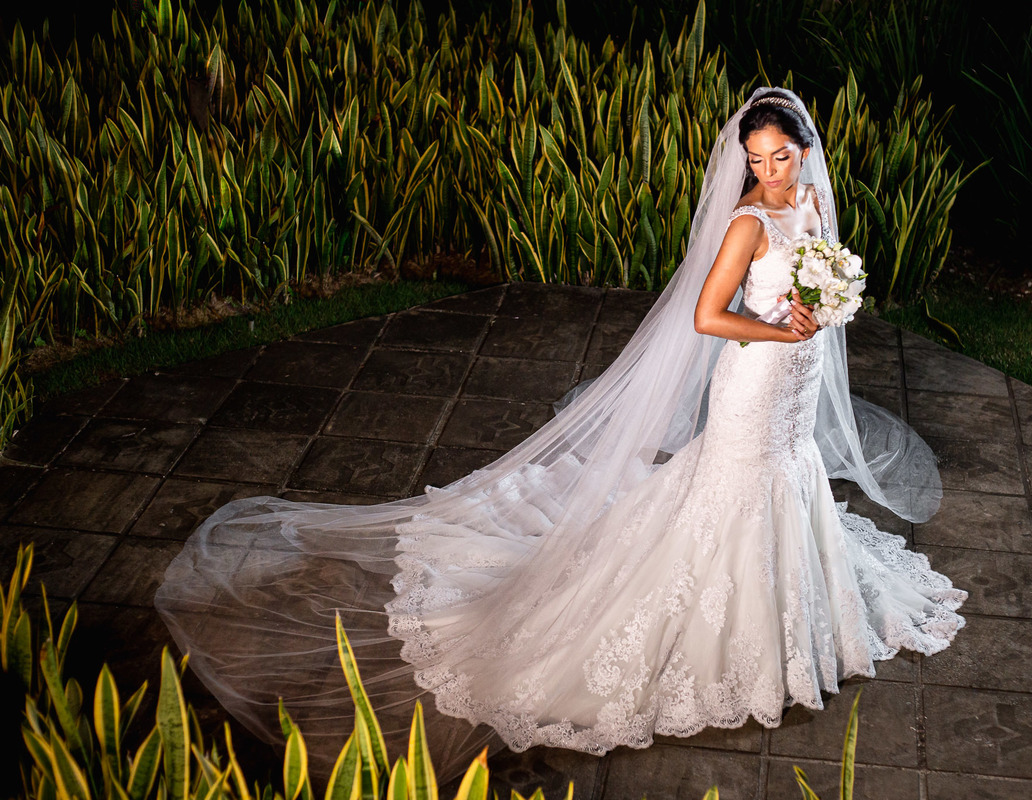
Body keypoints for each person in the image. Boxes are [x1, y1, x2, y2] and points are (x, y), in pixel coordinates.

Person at [156, 87, 965, 776]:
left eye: (778, 159)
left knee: (789, 478)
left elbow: (822, 282)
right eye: (754, 161)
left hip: (795, 377)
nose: (766, 173)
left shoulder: (815, 204)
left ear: (805, 153)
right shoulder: (748, 224)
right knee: (735, 488)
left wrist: (819, 312)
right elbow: (707, 315)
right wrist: (779, 330)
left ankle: (797, 601)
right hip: (756, 380)